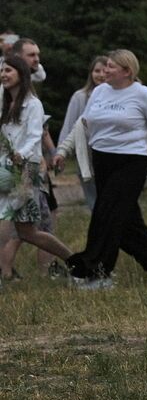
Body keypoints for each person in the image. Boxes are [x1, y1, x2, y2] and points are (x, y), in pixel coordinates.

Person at [59, 50, 147, 287]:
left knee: (106, 215)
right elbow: (83, 125)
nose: (104, 71)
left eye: (110, 67)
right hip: (102, 161)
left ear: (127, 71)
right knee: (125, 221)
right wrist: (63, 151)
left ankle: (98, 272)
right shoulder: (99, 92)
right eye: (104, 66)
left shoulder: (143, 94)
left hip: (130, 162)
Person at [0, 54, 74, 278]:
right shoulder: (3, 101)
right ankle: (76, 262)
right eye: (1, 70)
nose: (3, 74)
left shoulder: (33, 104)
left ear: (21, 74)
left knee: (5, 218)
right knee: (27, 232)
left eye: (8, 70)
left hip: (24, 171)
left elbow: (34, 135)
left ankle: (78, 263)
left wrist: (20, 155)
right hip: (4, 168)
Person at [55, 55, 111, 211]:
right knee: (92, 196)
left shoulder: (117, 95)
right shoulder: (80, 97)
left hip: (108, 152)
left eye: (104, 71)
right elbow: (70, 124)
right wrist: (61, 152)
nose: (100, 75)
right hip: (85, 153)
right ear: (91, 73)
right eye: (97, 71)